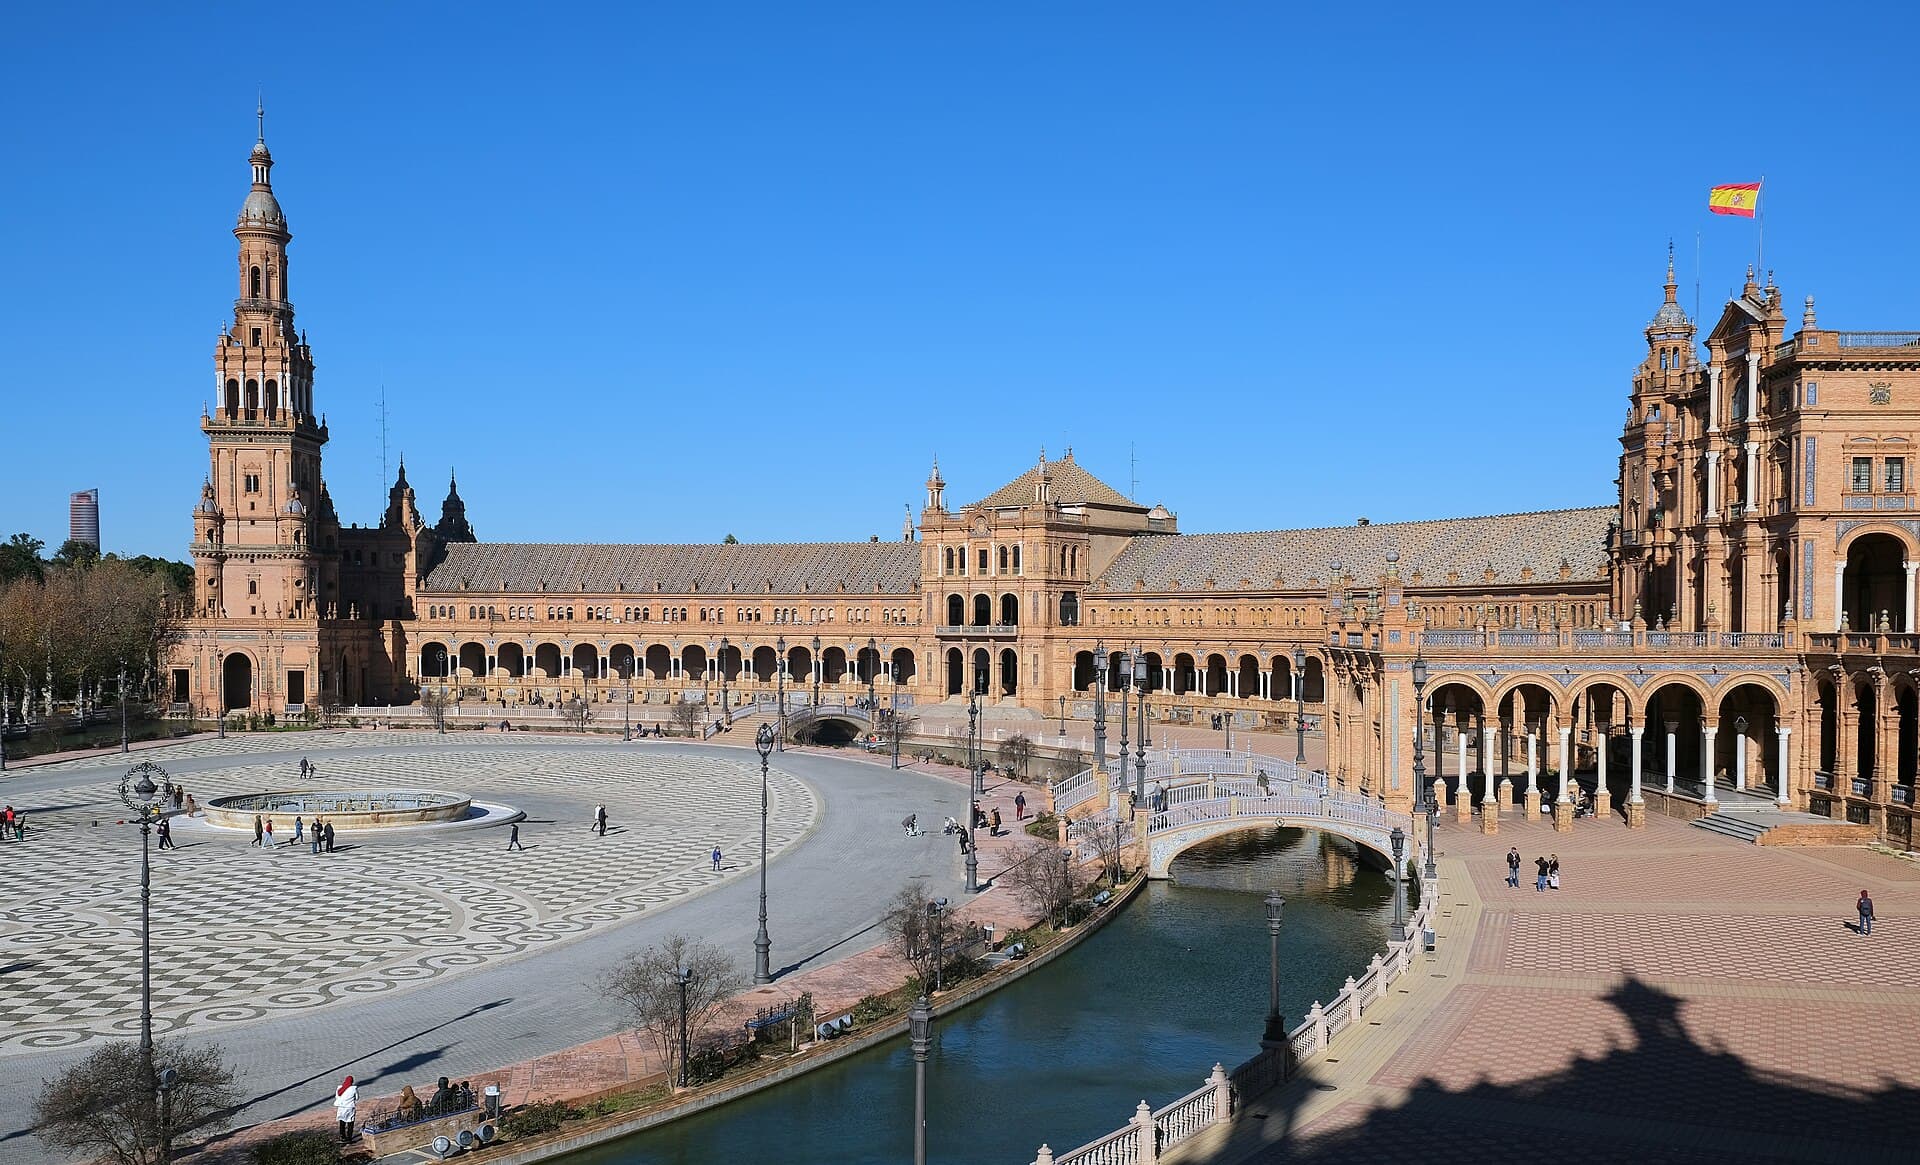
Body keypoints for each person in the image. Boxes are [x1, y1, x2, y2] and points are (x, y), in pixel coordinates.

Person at [333, 1075, 358, 1142]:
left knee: (342, 1122)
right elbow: (357, 1097)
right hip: (350, 1108)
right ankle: (349, 1138)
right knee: (350, 1122)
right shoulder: (353, 1089)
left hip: (341, 1108)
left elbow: (337, 1097)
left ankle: (342, 1137)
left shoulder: (339, 1088)